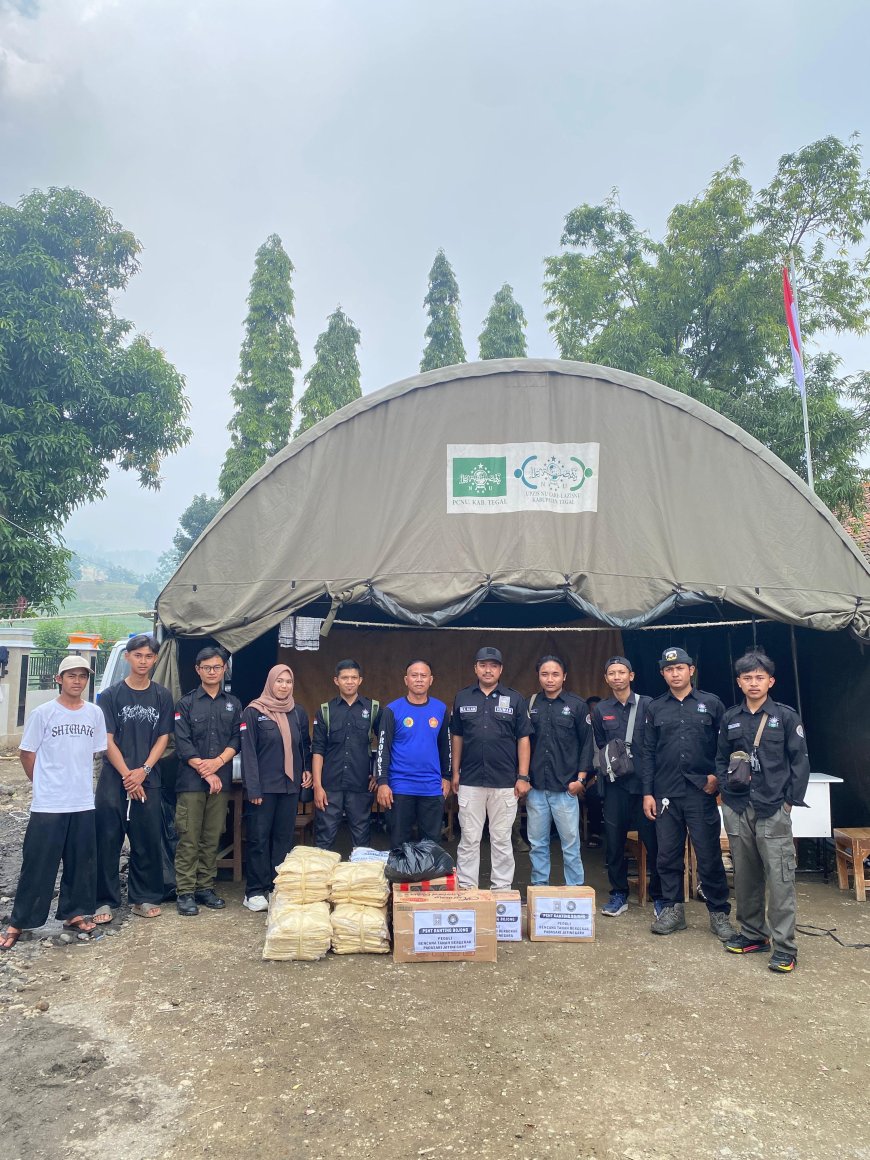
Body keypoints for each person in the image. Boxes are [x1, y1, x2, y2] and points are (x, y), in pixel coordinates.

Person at [1, 657, 107, 951]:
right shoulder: (43, 713)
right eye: (71, 675)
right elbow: (27, 753)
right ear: (59, 679)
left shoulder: (94, 713)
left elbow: (95, 752)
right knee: (38, 863)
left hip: (82, 800)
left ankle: (74, 913)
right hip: (49, 803)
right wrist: (42, 783)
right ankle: (20, 921)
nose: (77, 681)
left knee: (81, 861)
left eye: (82, 676)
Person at [715, 651, 809, 973]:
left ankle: (785, 947)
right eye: (747, 678)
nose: (753, 683)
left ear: (771, 681)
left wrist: (788, 803)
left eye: (759, 677)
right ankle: (753, 934)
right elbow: (720, 758)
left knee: (780, 879)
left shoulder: (786, 717)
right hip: (738, 807)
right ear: (739, 682)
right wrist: (726, 793)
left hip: (772, 808)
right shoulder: (731, 718)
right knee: (745, 875)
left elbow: (800, 762)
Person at [641, 647, 736, 941]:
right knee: (667, 856)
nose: (675, 673)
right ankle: (673, 910)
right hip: (665, 793)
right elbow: (647, 753)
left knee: (708, 856)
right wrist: (647, 793)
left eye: (680, 668)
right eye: (669, 669)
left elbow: (726, 747)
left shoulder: (711, 704)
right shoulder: (655, 707)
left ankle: (718, 912)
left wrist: (717, 778)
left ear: (691, 670)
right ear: (663, 674)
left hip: (700, 792)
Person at [94, 634, 174, 923]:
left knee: (147, 839)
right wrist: (129, 775)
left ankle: (144, 897)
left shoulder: (162, 696)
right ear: (127, 657)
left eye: (149, 656)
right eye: (138, 655)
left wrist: (144, 771)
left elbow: (163, 737)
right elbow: (106, 739)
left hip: (148, 778)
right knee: (107, 838)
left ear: (155, 660)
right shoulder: (110, 695)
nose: (143, 661)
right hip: (114, 779)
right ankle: (104, 900)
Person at [451, 647, 532, 890]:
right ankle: (467, 889)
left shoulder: (515, 699)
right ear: (475, 668)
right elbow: (457, 737)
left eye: (493, 665)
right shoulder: (462, 697)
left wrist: (523, 776)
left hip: (505, 781)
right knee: (469, 839)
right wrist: (455, 772)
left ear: (501, 669)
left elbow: (523, 738)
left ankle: (501, 891)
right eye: (483, 665)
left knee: (502, 840)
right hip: (470, 780)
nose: (488, 670)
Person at [172, 647, 242, 916]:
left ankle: (205, 887)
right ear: (198, 670)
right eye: (207, 667)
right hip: (191, 781)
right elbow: (182, 742)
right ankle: (185, 891)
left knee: (212, 837)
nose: (212, 672)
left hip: (219, 781)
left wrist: (218, 763)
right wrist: (206, 770)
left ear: (224, 669)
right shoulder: (186, 703)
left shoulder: (233, 703)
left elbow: (237, 738)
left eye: (217, 667)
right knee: (189, 837)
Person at [591, 656, 662, 917]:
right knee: (614, 842)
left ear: (631, 676)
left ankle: (659, 895)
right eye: (612, 673)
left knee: (654, 841)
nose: (617, 677)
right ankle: (618, 893)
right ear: (606, 678)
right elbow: (601, 745)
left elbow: (657, 744)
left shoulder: (648, 705)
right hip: (615, 787)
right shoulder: (601, 710)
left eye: (622, 672)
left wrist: (651, 787)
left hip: (645, 787)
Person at [240, 664, 312, 911]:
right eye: (279, 681)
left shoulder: (297, 712)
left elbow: (304, 745)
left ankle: (276, 887)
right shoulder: (253, 712)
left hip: (289, 786)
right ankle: (254, 891)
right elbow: (248, 752)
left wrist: (306, 769)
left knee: (283, 838)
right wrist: (253, 788)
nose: (284, 686)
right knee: (259, 838)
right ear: (270, 683)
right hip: (264, 788)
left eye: (288, 682)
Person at [525, 655, 594, 886]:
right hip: (536, 787)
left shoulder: (577, 705)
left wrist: (581, 780)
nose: (550, 679)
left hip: (566, 788)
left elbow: (587, 745)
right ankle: (539, 889)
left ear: (564, 676)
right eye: (544, 674)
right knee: (537, 844)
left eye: (555, 674)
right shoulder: (530, 705)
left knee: (570, 844)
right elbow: (522, 743)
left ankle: (575, 889)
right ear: (538, 676)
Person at [376, 660, 450, 846]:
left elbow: (446, 746)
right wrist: (382, 782)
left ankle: (428, 868)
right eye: (414, 675)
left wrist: (447, 776)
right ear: (406, 680)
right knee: (400, 844)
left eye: (423, 676)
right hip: (400, 786)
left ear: (431, 680)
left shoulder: (440, 709)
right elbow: (383, 748)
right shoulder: (392, 710)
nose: (419, 679)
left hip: (431, 786)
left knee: (431, 845)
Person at [312, 660, 380, 851]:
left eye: (353, 678)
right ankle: (322, 871)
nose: (349, 682)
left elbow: (384, 745)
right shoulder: (325, 711)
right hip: (330, 786)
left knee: (361, 841)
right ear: (336, 680)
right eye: (345, 678)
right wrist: (317, 786)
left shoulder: (373, 709)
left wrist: (378, 775)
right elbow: (318, 750)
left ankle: (360, 872)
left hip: (361, 784)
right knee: (324, 839)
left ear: (360, 680)